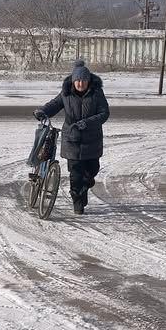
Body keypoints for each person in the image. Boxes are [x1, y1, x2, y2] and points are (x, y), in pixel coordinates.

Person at [34, 60, 110, 215]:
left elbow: (104, 113)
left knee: (92, 171)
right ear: (73, 81)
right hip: (72, 139)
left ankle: (85, 187)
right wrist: (42, 111)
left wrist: (87, 123)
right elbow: (54, 104)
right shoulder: (66, 93)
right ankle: (78, 203)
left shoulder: (97, 93)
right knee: (75, 175)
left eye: (83, 80)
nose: (80, 84)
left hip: (92, 140)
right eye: (78, 80)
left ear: (88, 81)